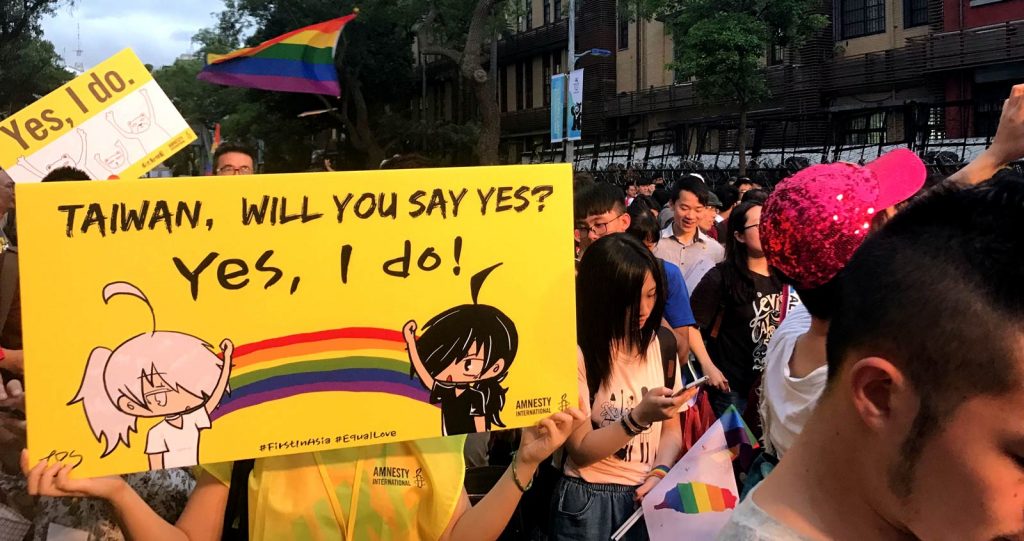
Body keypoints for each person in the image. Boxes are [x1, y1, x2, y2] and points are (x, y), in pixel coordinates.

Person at [720, 170, 1024, 541]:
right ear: (879, 394)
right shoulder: (873, 359)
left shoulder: (795, 327)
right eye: (1019, 458)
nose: (898, 220)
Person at [757, 148, 926, 459]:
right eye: (891, 213)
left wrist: (994, 156)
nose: (900, 215)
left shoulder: (791, 333)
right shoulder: (881, 381)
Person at [552, 234, 695, 540]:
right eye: (629, 299)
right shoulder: (577, 353)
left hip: (647, 496)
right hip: (587, 500)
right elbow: (580, 450)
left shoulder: (663, 346)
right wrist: (638, 417)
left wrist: (660, 472)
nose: (643, 310)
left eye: (651, 295)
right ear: (602, 296)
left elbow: (671, 431)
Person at [688, 201, 791, 417]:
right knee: (737, 448)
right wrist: (709, 368)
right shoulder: (722, 277)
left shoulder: (786, 275)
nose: (766, 229)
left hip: (777, 388)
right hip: (733, 388)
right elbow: (690, 324)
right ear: (739, 236)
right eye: (758, 225)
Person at [576, 182, 694, 365]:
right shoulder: (571, 280)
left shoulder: (663, 273)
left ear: (624, 221)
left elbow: (680, 352)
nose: (591, 235)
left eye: (599, 224)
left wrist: (649, 319)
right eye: (582, 228)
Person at [654, 176, 725, 295]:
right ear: (671, 204)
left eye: (698, 210)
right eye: (684, 208)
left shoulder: (716, 251)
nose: (690, 216)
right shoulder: (654, 244)